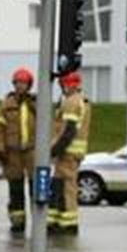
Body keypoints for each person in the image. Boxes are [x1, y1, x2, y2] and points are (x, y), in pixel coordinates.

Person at [49, 71, 91, 235]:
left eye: (64, 84)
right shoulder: (80, 101)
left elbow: (68, 131)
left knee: (66, 187)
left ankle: (67, 223)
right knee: (60, 185)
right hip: (72, 152)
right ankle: (59, 219)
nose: (63, 87)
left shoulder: (71, 102)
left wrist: (55, 149)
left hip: (67, 152)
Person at [0, 67, 37, 236]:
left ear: (29, 85)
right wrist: (0, 149)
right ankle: (17, 222)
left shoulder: (36, 104)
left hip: (32, 152)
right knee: (15, 189)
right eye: (18, 83)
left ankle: (39, 222)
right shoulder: (6, 105)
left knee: (36, 189)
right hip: (12, 153)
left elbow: (46, 127)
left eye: (24, 83)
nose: (20, 86)